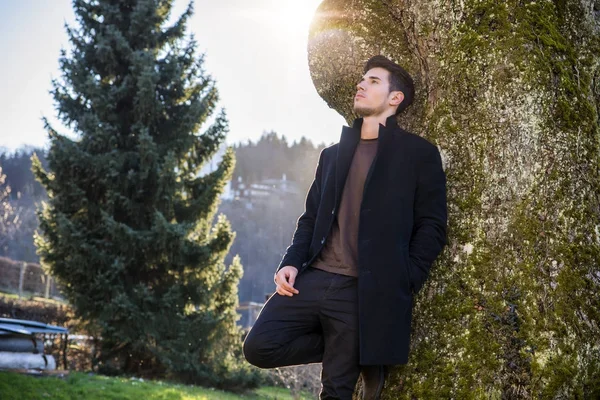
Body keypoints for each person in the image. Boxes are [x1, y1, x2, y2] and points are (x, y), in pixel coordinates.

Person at [242, 55, 447, 400]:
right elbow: (309, 220)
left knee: (335, 391)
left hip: (363, 292)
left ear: (395, 98)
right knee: (259, 347)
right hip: (313, 278)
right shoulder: (332, 156)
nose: (361, 84)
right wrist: (289, 263)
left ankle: (359, 348)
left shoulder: (419, 155)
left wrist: (403, 279)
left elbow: (432, 225)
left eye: (373, 81)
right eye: (362, 79)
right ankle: (364, 351)